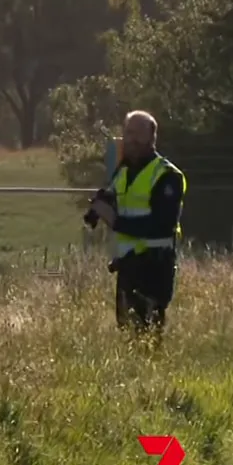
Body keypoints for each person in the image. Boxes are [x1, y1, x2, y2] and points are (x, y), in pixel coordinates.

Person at [87, 110, 187, 334]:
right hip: (127, 266)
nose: (132, 139)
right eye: (128, 132)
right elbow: (111, 194)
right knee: (127, 334)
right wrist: (96, 209)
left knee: (147, 336)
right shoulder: (124, 170)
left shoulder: (167, 176)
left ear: (152, 138)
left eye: (138, 134)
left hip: (154, 267)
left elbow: (162, 226)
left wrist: (115, 221)